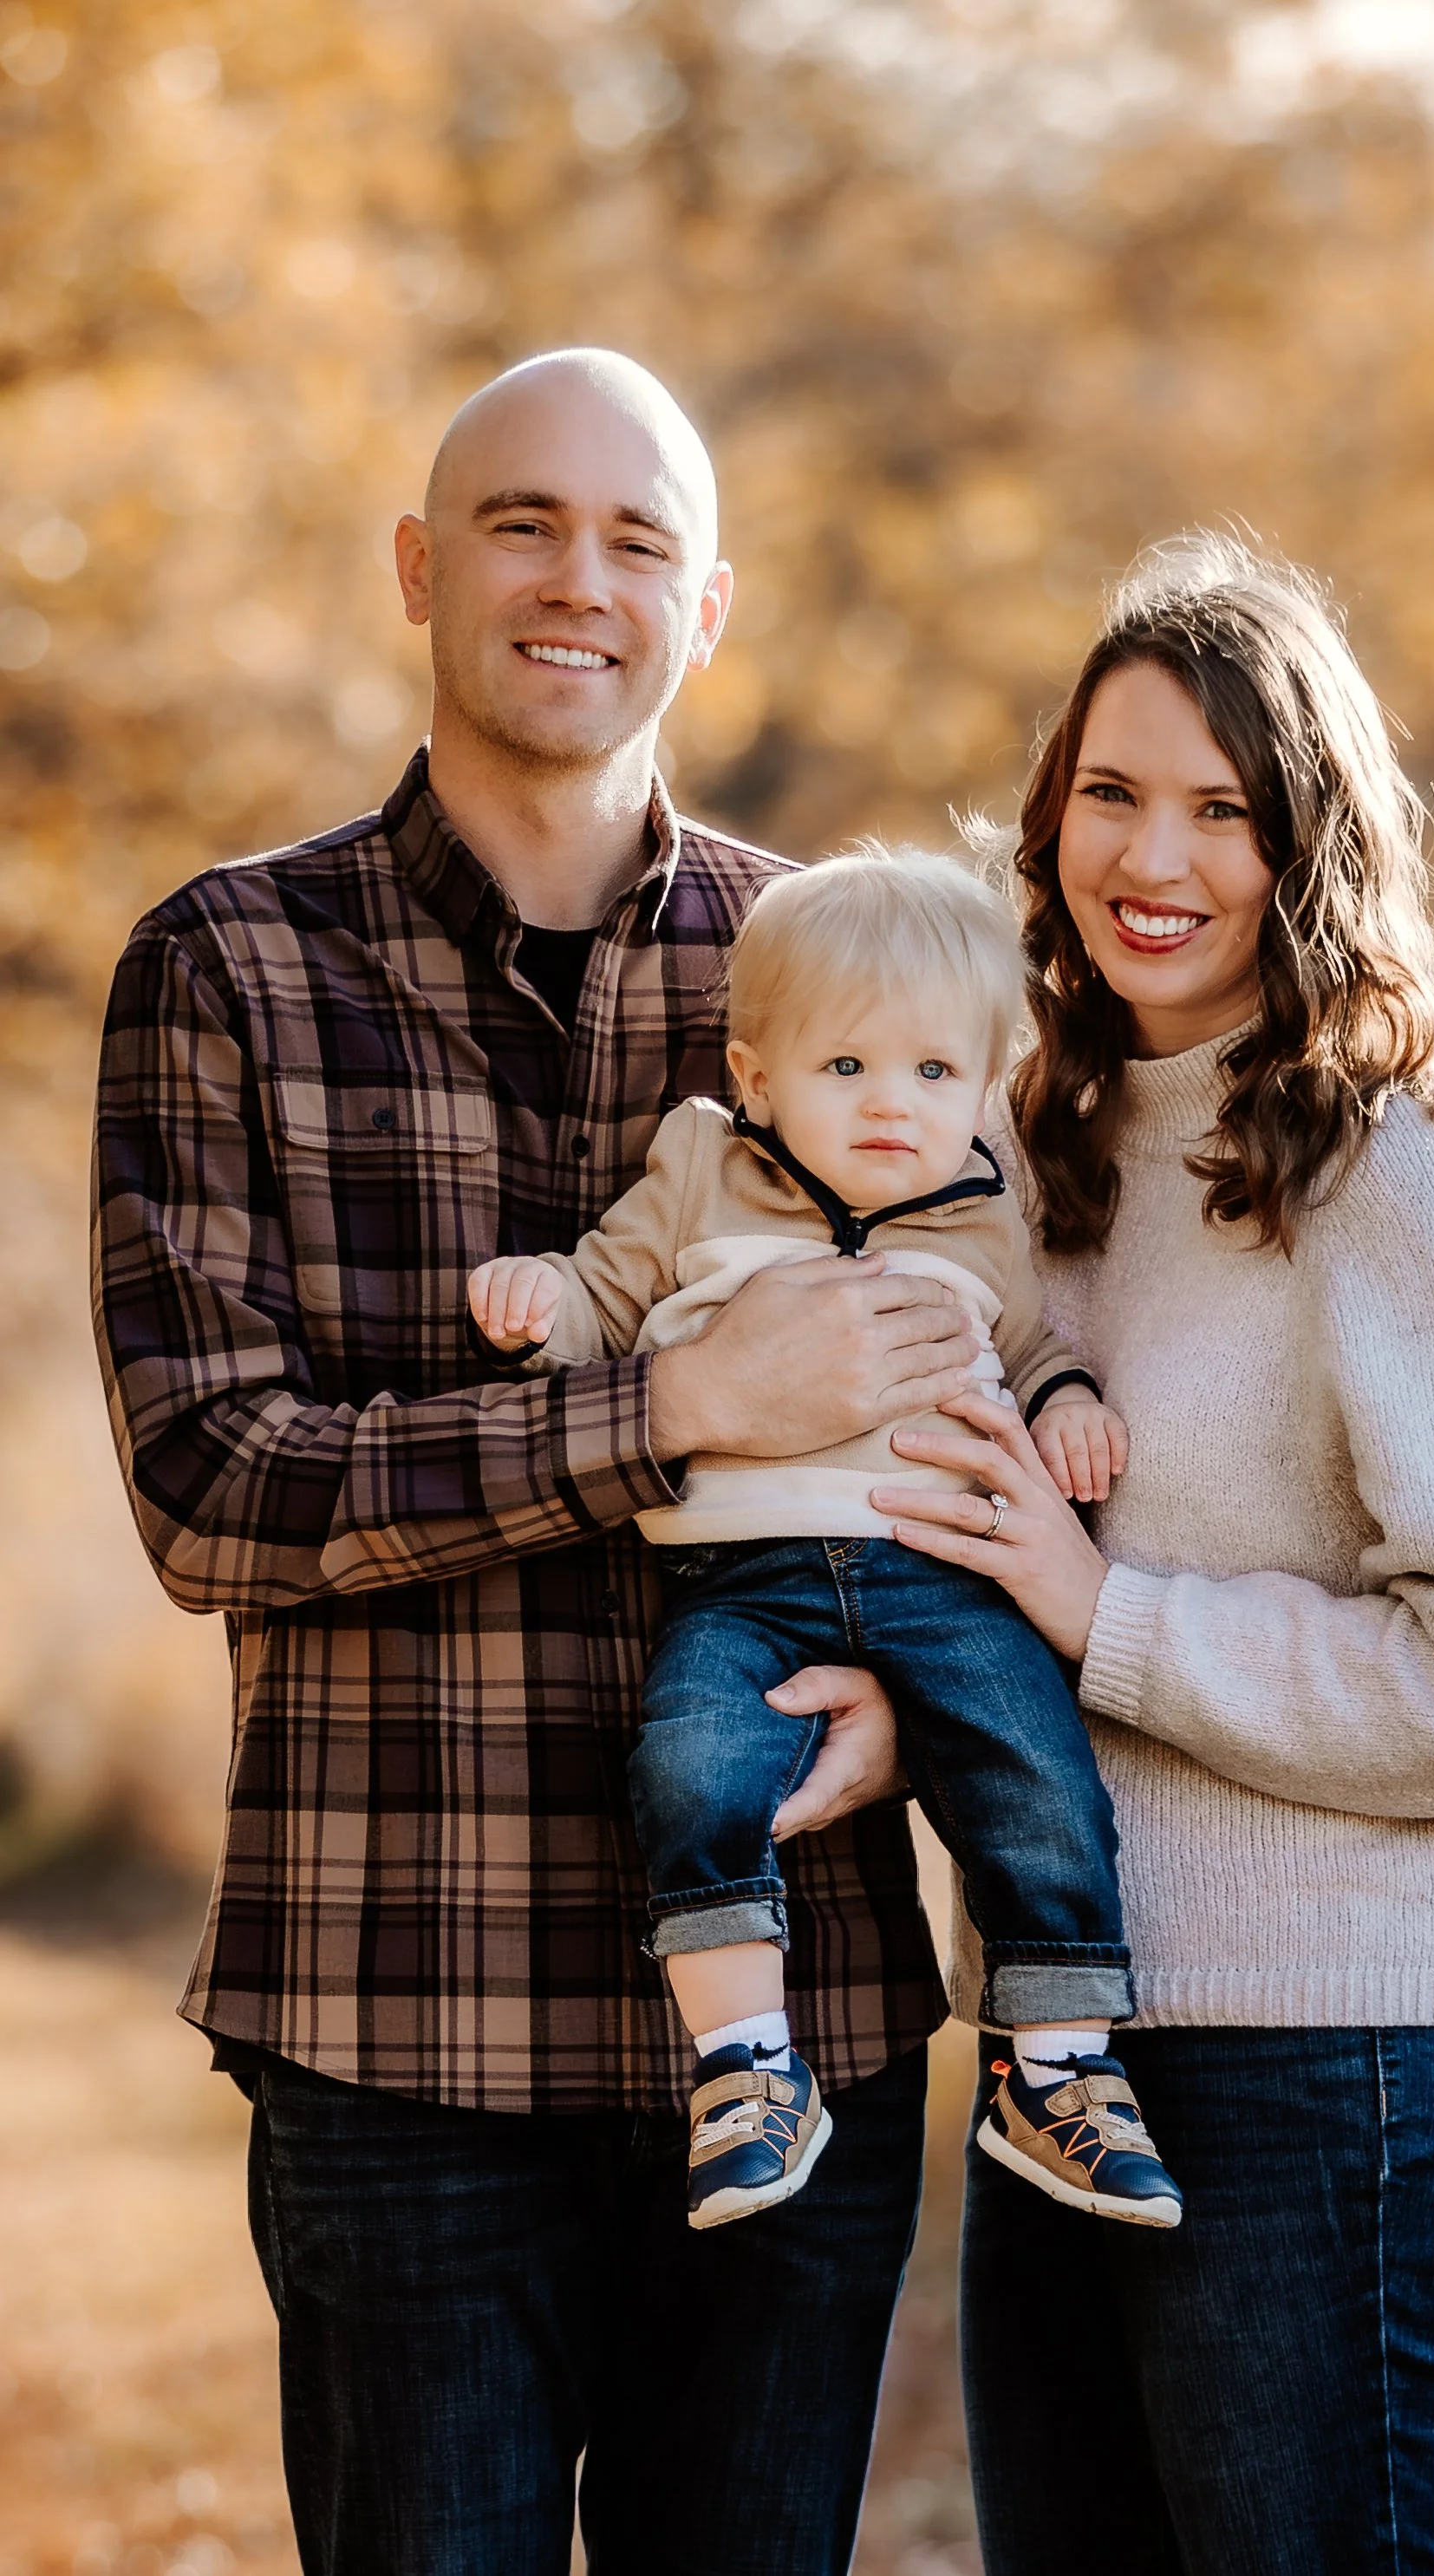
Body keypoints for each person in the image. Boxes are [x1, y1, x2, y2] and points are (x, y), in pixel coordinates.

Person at [90, 349, 983, 2576]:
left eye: (639, 540)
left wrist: (923, 1686)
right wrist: (666, 1413)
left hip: (811, 2032)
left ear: (713, 608)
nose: (581, 581)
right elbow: (213, 1487)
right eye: (522, 522)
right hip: (401, 2034)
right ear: (420, 566)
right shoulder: (228, 969)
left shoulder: (845, 980)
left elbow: (1014, 1401)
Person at [865, 534, 1434, 2574]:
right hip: (1067, 2053)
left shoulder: (1378, 1148)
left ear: (1306, 843)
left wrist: (1109, 1616)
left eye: (1226, 809)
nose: (1159, 855)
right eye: (1115, 793)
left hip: (1345, 2074)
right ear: (1051, 818)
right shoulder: (1032, 1137)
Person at [466, 847, 1182, 2232]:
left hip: (940, 1575)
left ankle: (1058, 2070)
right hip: (740, 1579)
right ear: (757, 1073)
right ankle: (745, 2065)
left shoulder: (982, 1208)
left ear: (981, 1091)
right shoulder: (700, 1168)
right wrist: (537, 1302)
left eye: (930, 1074)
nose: (888, 1106)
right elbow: (606, 1297)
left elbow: (1031, 1345)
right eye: (843, 1067)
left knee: (1032, 1762)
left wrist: (1073, 1401)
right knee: (692, 1762)